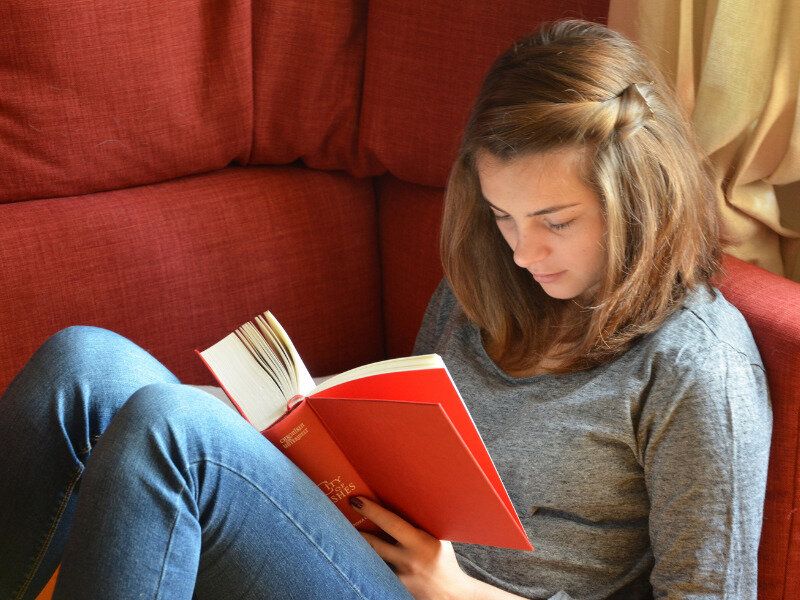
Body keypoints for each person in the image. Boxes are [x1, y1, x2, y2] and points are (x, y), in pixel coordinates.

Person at [0, 19, 770, 600]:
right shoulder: (486, 283)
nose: (524, 252)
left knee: (173, 432)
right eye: (503, 217)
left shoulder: (699, 366)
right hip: (359, 560)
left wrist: (458, 590)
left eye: (556, 221)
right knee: (83, 366)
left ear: (638, 196)